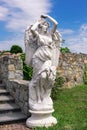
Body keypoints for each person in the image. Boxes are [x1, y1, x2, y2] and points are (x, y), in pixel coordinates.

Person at [25, 15, 61, 110]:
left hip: (47, 59)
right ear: (41, 26)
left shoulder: (50, 35)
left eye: (47, 25)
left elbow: (56, 24)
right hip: (38, 58)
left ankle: (45, 96)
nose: (46, 26)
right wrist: (38, 21)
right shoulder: (38, 35)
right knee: (38, 78)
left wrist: (47, 17)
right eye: (44, 25)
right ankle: (39, 98)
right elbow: (32, 29)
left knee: (46, 77)